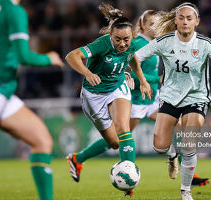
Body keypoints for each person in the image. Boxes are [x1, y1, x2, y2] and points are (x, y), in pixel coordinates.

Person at [135, 2, 211, 200]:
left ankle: (185, 191)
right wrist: (138, 77)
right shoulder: (164, 41)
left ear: (197, 21)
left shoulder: (206, 44)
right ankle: (171, 153)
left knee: (189, 144)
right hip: (170, 97)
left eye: (189, 18)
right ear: (175, 20)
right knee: (159, 147)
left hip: (196, 98)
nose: (185, 22)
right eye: (181, 18)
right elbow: (135, 57)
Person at [0, 0, 64, 200]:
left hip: (1, 90)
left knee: (42, 140)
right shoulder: (14, 11)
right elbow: (24, 56)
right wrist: (49, 58)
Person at [65, 3, 152, 196]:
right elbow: (72, 56)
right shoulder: (102, 44)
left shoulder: (133, 43)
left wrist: (143, 81)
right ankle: (77, 159)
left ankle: (129, 183)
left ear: (132, 37)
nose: (122, 44)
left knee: (123, 127)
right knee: (114, 142)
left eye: (126, 40)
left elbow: (132, 58)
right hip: (93, 96)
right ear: (111, 36)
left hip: (117, 88)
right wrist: (87, 73)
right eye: (118, 40)